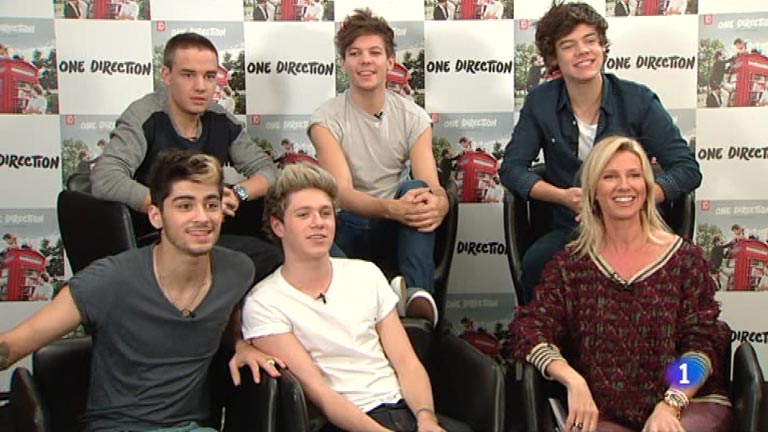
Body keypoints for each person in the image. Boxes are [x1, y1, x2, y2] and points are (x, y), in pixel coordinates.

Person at [0, 150, 281, 430]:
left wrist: (241, 344)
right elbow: (16, 343)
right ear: (157, 216)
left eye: (211, 205)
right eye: (185, 206)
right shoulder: (110, 278)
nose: (202, 217)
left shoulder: (237, 270)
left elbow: (224, 316)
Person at [511, 136, 731, 432]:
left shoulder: (684, 259)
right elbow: (530, 329)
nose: (624, 186)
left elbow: (701, 346)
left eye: (634, 175)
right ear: (592, 191)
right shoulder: (571, 265)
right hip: (607, 411)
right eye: (610, 177)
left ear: (647, 186)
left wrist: (671, 403)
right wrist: (573, 381)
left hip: (686, 401)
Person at [241, 163, 471, 432]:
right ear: (278, 226)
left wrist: (426, 418)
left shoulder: (366, 274)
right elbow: (318, 392)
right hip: (344, 422)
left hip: (403, 410)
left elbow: (406, 361)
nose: (318, 223)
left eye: (325, 212)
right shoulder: (264, 302)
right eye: (304, 214)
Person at [499, 2, 701, 304]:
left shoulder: (638, 99)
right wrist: (563, 196)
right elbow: (511, 170)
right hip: (573, 227)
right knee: (536, 264)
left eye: (590, 40)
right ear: (553, 57)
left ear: (603, 46)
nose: (583, 51)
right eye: (569, 45)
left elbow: (687, 170)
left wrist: (639, 197)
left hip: (634, 226)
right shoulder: (540, 102)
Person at [90, 32, 281, 281]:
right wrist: (177, 207)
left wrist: (238, 194)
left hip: (209, 234)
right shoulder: (144, 115)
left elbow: (267, 170)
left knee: (278, 252)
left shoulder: (219, 118)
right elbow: (105, 178)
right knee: (267, 259)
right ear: (166, 75)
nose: (201, 86)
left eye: (209, 76)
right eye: (188, 75)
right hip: (158, 240)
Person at [308, 9, 449, 326]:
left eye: (374, 53)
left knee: (418, 191)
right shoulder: (325, 119)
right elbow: (342, 193)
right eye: (355, 54)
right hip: (348, 225)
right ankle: (374, 298)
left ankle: (415, 298)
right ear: (344, 63)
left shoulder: (413, 116)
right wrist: (391, 209)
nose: (365, 61)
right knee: (312, 222)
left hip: (396, 227)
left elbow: (431, 184)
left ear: (390, 62)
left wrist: (440, 202)